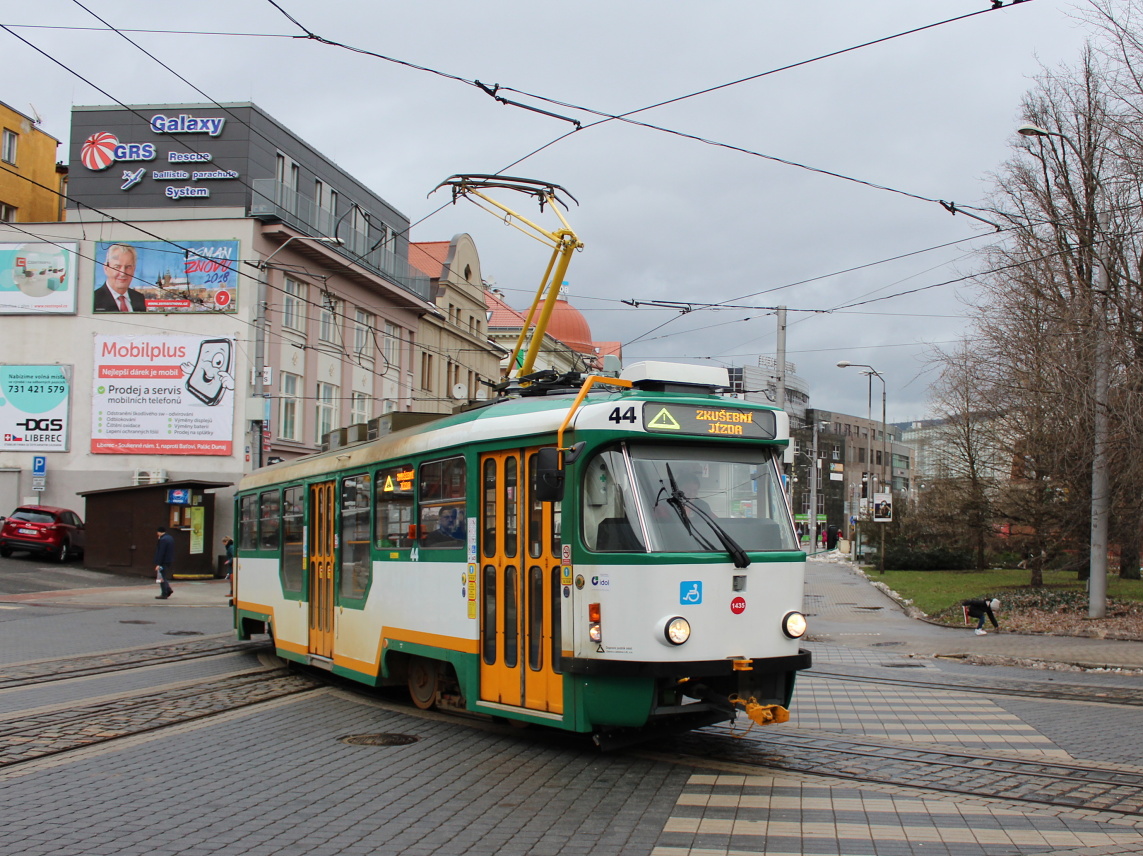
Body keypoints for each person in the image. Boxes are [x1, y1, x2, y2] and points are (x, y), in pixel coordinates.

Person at [93, 244, 146, 312]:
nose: (123, 273)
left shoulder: (139, 298)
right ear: (106, 268)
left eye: (128, 267)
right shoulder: (94, 299)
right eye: (117, 267)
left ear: (134, 270)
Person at [154, 526, 175, 599]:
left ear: (159, 532)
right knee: (162, 576)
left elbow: (161, 552)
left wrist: (158, 564)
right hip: (168, 560)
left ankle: (164, 593)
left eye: (157, 532)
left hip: (163, 561)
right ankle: (168, 589)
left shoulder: (163, 540)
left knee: (161, 577)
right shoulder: (170, 538)